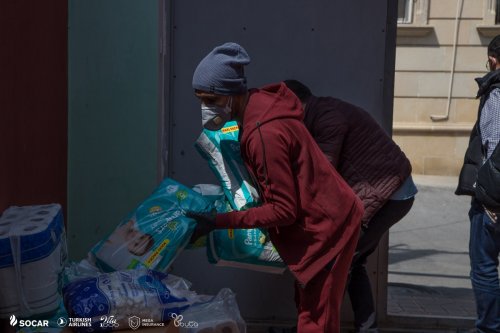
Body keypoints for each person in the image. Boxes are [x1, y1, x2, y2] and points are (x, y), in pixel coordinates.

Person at [188, 42, 364, 333]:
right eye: (201, 100)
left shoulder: (263, 134)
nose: (206, 108)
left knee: (316, 321)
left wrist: (219, 222)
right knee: (309, 305)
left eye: (212, 99)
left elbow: (283, 210)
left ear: (232, 94)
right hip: (323, 219)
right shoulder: (258, 109)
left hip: (331, 229)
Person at [284, 79, 417, 333]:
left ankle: (316, 326)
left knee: (335, 262)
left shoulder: (327, 119)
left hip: (390, 195)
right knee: (353, 261)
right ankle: (365, 328)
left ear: (295, 104)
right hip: (389, 192)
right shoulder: (321, 113)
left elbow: (321, 173)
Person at [456, 34, 500, 333]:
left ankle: (488, 329)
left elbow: (492, 142)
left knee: (484, 266)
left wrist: (485, 193)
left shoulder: (496, 93)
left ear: (494, 59)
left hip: (493, 200)